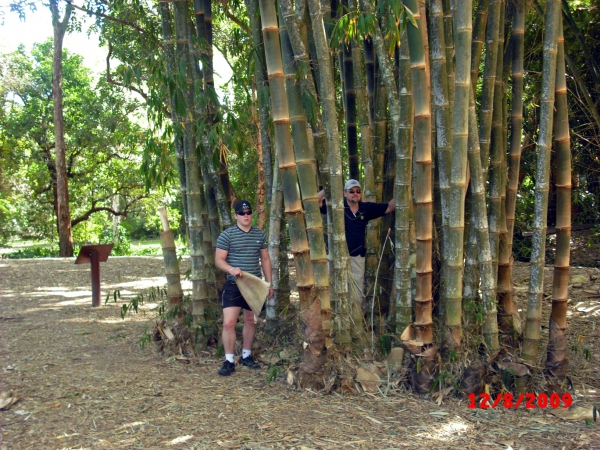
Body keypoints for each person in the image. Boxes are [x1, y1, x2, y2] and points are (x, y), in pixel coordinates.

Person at [215, 199, 274, 376]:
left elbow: (265, 259)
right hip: (234, 284)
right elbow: (219, 260)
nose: (246, 216)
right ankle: (229, 360)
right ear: (236, 215)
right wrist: (232, 269)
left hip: (254, 284)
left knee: (250, 320)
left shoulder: (259, 234)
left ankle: (246, 356)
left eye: (248, 213)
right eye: (242, 213)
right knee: (229, 323)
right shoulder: (227, 235)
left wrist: (268, 284)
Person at [318, 179, 395, 308]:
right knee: (332, 288)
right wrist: (329, 187)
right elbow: (315, 202)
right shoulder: (336, 206)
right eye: (351, 191)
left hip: (356, 256)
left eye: (358, 191)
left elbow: (388, 207)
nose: (355, 194)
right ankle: (332, 320)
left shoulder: (365, 208)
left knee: (356, 291)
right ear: (345, 193)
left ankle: (356, 319)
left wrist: (403, 188)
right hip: (335, 256)